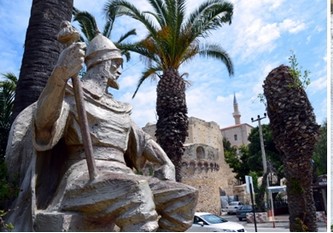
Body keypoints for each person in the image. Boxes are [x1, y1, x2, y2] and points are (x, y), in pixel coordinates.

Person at [5, 33, 197, 231]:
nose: (119, 70)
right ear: (102, 63)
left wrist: (165, 162)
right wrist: (59, 77)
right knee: (135, 190)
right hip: (83, 177)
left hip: (122, 176)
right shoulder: (72, 95)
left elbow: (144, 140)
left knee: (185, 195)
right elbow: (44, 125)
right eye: (116, 63)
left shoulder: (119, 108)